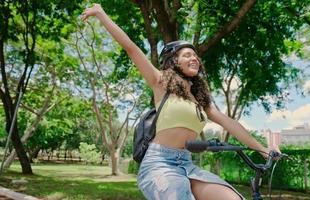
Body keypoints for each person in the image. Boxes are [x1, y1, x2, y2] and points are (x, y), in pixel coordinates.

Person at [82, 4, 279, 200]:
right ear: (173, 61)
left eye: (195, 56)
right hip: (159, 164)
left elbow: (230, 124)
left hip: (187, 164)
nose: (194, 59)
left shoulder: (201, 101)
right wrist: (101, 13)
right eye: (187, 55)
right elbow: (131, 48)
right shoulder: (160, 82)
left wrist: (263, 149)